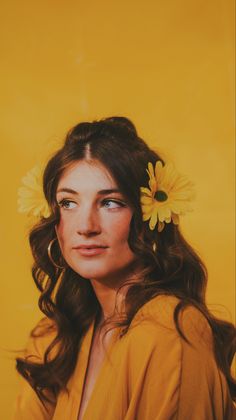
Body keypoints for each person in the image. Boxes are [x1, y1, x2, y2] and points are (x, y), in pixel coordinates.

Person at [13, 116, 235, 419]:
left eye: (110, 202)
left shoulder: (172, 332)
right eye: (68, 203)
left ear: (147, 217)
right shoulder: (55, 336)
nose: (86, 226)